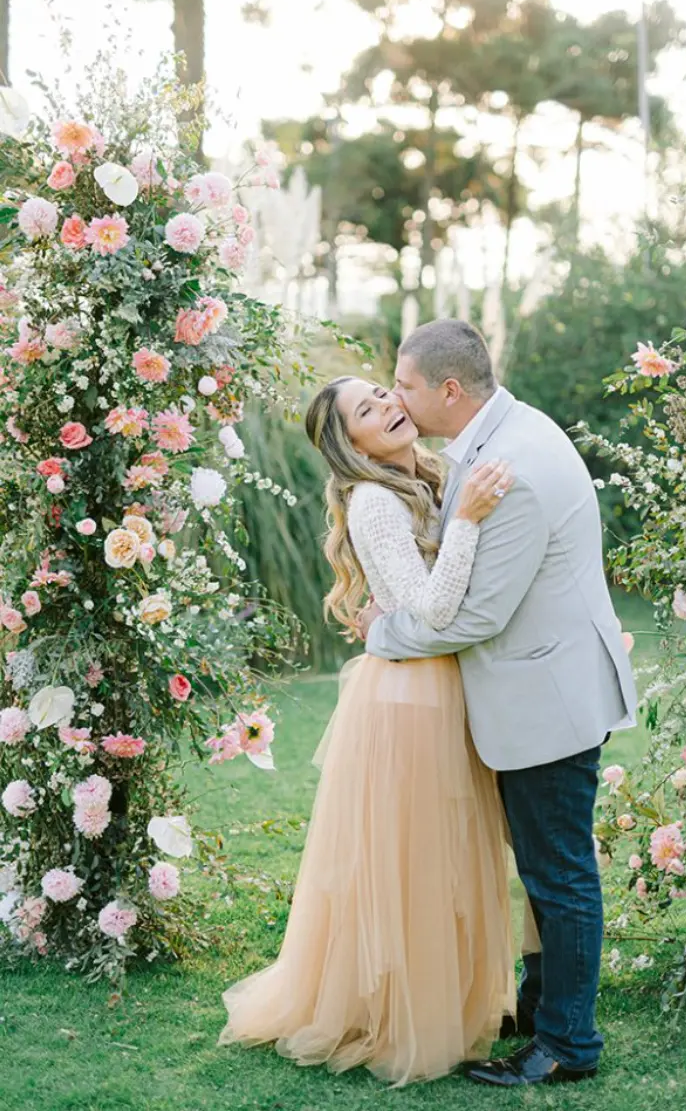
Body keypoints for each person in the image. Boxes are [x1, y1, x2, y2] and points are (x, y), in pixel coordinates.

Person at [217, 373, 516, 1085]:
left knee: (448, 854)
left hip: (442, 687)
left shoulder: (430, 477)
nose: (386, 405)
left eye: (383, 392)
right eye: (364, 409)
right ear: (348, 443)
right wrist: (468, 519)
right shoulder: (376, 502)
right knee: (412, 861)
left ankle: (455, 995)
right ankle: (398, 1011)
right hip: (411, 701)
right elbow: (431, 609)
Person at [361, 319, 638, 1088]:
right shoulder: (502, 432)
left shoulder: (511, 465)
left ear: (449, 390)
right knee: (550, 868)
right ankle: (542, 1008)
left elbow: (479, 616)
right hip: (550, 681)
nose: (398, 397)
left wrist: (383, 635)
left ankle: (568, 1045)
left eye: (406, 385)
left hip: (547, 698)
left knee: (559, 875)